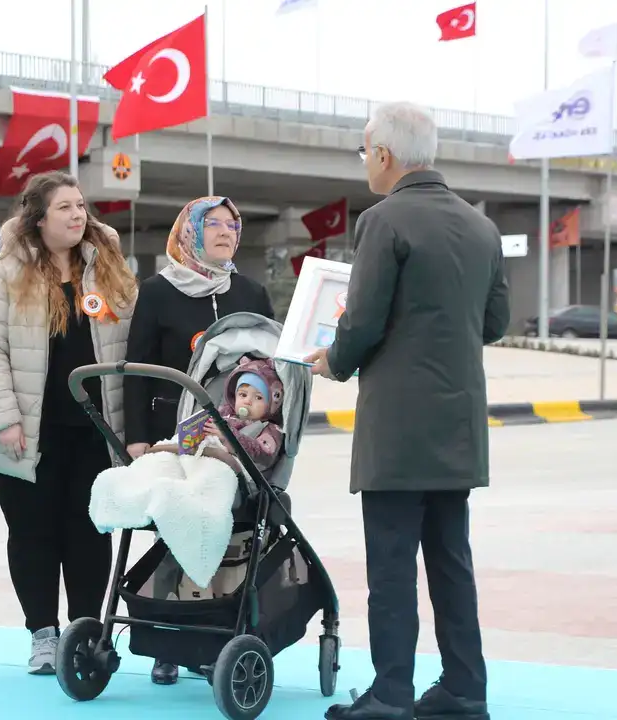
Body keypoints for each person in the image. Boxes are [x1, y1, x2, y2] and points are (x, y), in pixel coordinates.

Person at [305, 102, 509, 720]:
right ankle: (463, 690)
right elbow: (495, 323)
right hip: (459, 426)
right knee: (452, 560)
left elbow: (362, 320)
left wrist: (332, 359)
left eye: (366, 151)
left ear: (385, 155)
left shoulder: (384, 220)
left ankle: (391, 694)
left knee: (391, 565)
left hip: (397, 428)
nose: (366, 162)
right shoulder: (481, 228)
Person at [0, 171, 137, 675]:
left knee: (89, 534)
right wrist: (5, 418)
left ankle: (84, 634)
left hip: (93, 432)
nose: (78, 214)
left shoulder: (107, 270)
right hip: (28, 432)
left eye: (81, 205)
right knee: (32, 533)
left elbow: (130, 347)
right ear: (38, 220)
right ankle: (42, 633)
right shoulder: (4, 275)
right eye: (65, 207)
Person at [122, 195, 274, 685]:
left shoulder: (251, 293)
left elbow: (276, 371)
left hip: (237, 443)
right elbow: (136, 372)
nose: (228, 231)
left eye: (234, 223)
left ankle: (214, 636)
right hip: (175, 437)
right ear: (191, 232)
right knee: (173, 527)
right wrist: (137, 440)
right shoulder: (158, 291)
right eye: (216, 224)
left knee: (226, 530)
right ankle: (168, 638)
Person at [203, 356, 284, 474]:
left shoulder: (270, 428)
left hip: (236, 471)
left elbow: (262, 454)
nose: (248, 401)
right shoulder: (224, 412)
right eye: (243, 395)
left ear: (272, 403)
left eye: (258, 397)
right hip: (206, 455)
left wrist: (229, 435)